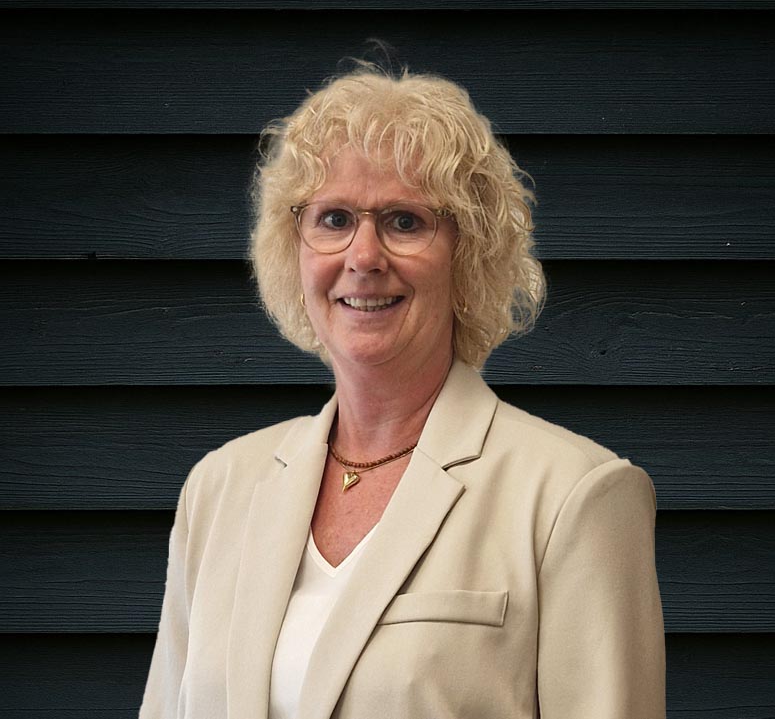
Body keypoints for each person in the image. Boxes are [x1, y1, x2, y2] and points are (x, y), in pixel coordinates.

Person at [139, 65, 665, 719]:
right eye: (333, 218)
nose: (363, 256)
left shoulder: (569, 495)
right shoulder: (218, 490)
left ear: (468, 254)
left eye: (404, 221)